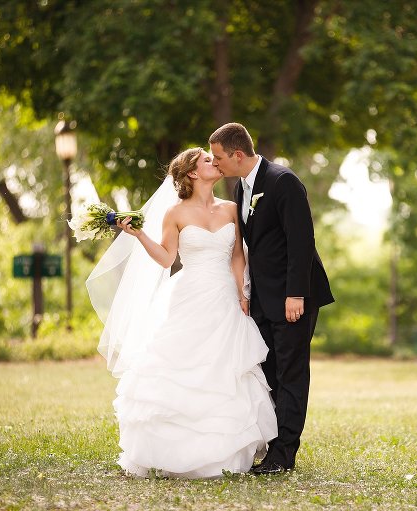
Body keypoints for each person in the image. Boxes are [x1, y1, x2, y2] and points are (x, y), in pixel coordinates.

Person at [88, 147, 277, 479]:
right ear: (192, 172)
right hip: (190, 295)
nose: (215, 163)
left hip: (225, 298)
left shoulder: (232, 208)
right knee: (184, 366)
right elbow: (165, 258)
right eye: (207, 160)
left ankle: (226, 454)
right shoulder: (175, 213)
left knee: (226, 369)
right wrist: (139, 234)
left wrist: (242, 291)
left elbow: (236, 255)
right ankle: (170, 452)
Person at [209, 123, 334, 475]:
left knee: (292, 374)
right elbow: (254, 246)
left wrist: (296, 294)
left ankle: (284, 454)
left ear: (237, 155)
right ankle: (271, 443)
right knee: (271, 374)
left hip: (293, 298)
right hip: (263, 298)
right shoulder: (241, 188)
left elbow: (301, 241)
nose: (215, 164)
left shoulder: (283, 182)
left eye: (218, 158)